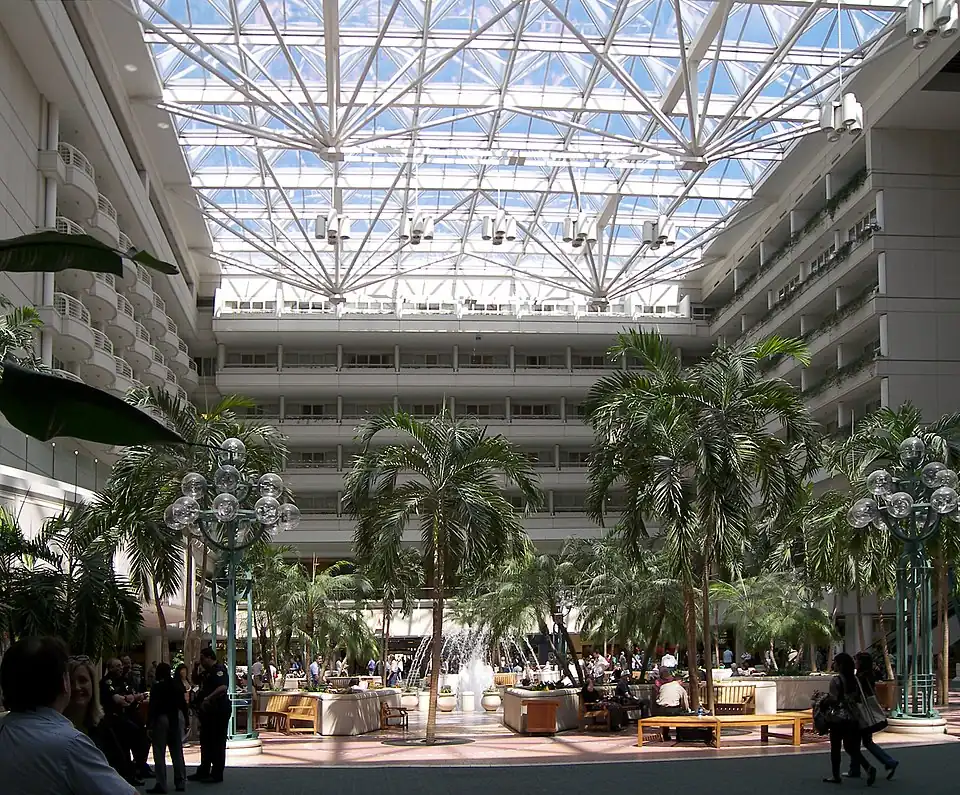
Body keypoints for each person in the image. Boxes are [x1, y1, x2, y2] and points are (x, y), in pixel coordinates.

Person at [0, 636, 136, 794]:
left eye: (83, 680)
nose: (77, 687)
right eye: (70, 679)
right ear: (64, 682)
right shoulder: (70, 745)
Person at [823, 653, 876, 785]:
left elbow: (834, 699)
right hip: (853, 717)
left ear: (840, 665)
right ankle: (868, 767)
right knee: (851, 747)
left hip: (838, 717)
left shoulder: (836, 680)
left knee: (835, 746)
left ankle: (836, 775)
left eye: (835, 662)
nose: (833, 665)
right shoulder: (855, 680)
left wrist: (823, 701)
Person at [847, 652, 898, 781]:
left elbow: (857, 694)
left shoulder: (860, 677)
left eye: (857, 660)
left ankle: (857, 769)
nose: (855, 662)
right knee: (865, 741)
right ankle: (856, 768)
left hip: (861, 713)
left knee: (858, 742)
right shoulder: (871, 675)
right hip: (867, 710)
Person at [101, 657, 152, 784]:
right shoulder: (107, 682)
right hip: (114, 719)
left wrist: (132, 697)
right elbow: (119, 700)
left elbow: (133, 696)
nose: (121, 668)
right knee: (124, 748)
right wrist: (130, 698)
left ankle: (137, 768)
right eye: (117, 666)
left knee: (144, 738)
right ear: (110, 668)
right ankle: (129, 775)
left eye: (121, 666)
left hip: (129, 716)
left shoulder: (124, 681)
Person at [189, 647, 230, 784]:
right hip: (207, 712)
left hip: (218, 710)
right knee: (206, 741)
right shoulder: (206, 672)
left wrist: (208, 698)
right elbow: (195, 681)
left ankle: (217, 773)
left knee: (217, 742)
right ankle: (204, 770)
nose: (201, 662)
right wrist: (195, 668)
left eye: (202, 659)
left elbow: (223, 687)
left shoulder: (219, 670)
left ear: (208, 657)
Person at [147, 662, 187, 793]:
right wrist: (186, 721)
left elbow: (152, 707)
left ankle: (162, 783)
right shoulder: (176, 685)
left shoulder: (157, 687)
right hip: (175, 717)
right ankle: (180, 781)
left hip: (161, 719)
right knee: (177, 751)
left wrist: (149, 725)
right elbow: (183, 704)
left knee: (159, 752)